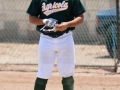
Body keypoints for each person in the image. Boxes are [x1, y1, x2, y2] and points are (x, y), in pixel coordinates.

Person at [26, 0, 86, 90]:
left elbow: (80, 17)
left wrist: (67, 24)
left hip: (65, 38)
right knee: (43, 72)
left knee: (67, 73)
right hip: (46, 39)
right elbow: (31, 18)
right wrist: (44, 21)